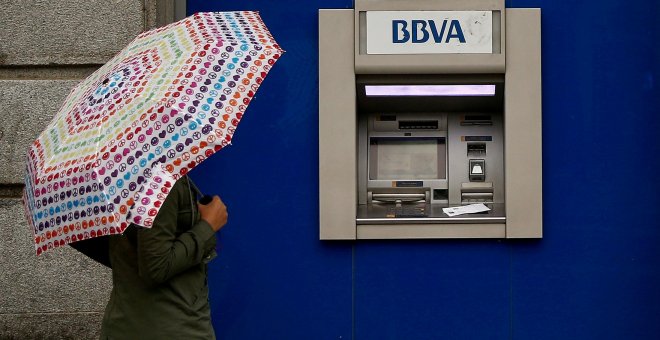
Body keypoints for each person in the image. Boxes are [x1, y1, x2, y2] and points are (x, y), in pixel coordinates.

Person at [99, 175, 228, 340]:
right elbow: (156, 266)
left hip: (128, 320)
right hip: (172, 326)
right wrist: (208, 226)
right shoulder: (160, 175)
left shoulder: (120, 172)